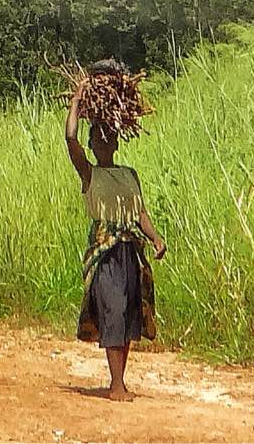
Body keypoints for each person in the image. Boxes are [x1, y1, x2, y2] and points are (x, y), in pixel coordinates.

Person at [66, 69, 167, 400]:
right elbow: (70, 138)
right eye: (98, 138)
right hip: (105, 252)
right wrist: (78, 101)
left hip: (129, 251)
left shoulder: (128, 174)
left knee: (127, 314)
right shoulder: (88, 173)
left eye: (109, 137)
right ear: (93, 143)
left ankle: (119, 379)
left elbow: (139, 212)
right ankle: (116, 384)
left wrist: (154, 238)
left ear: (116, 141)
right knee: (112, 309)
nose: (104, 142)